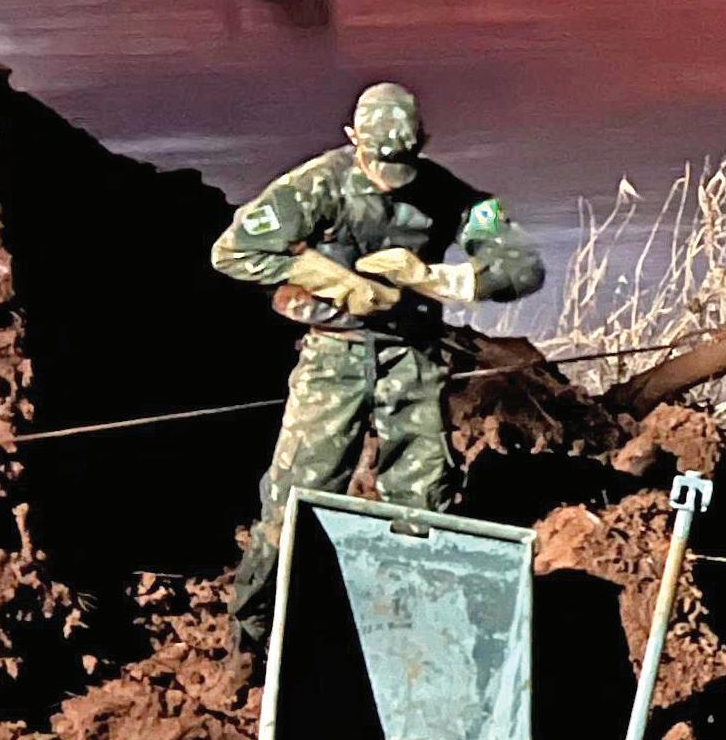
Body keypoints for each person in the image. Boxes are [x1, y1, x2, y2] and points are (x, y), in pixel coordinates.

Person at [210, 82, 544, 644]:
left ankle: (415, 632)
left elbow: (522, 264)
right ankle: (253, 631)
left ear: (424, 143)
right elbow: (233, 251)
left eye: (402, 167)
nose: (392, 180)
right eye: (379, 166)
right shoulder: (316, 185)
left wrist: (435, 278)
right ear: (351, 139)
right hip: (332, 355)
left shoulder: (448, 193)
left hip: (411, 357)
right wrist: (328, 279)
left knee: (423, 498)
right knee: (295, 495)